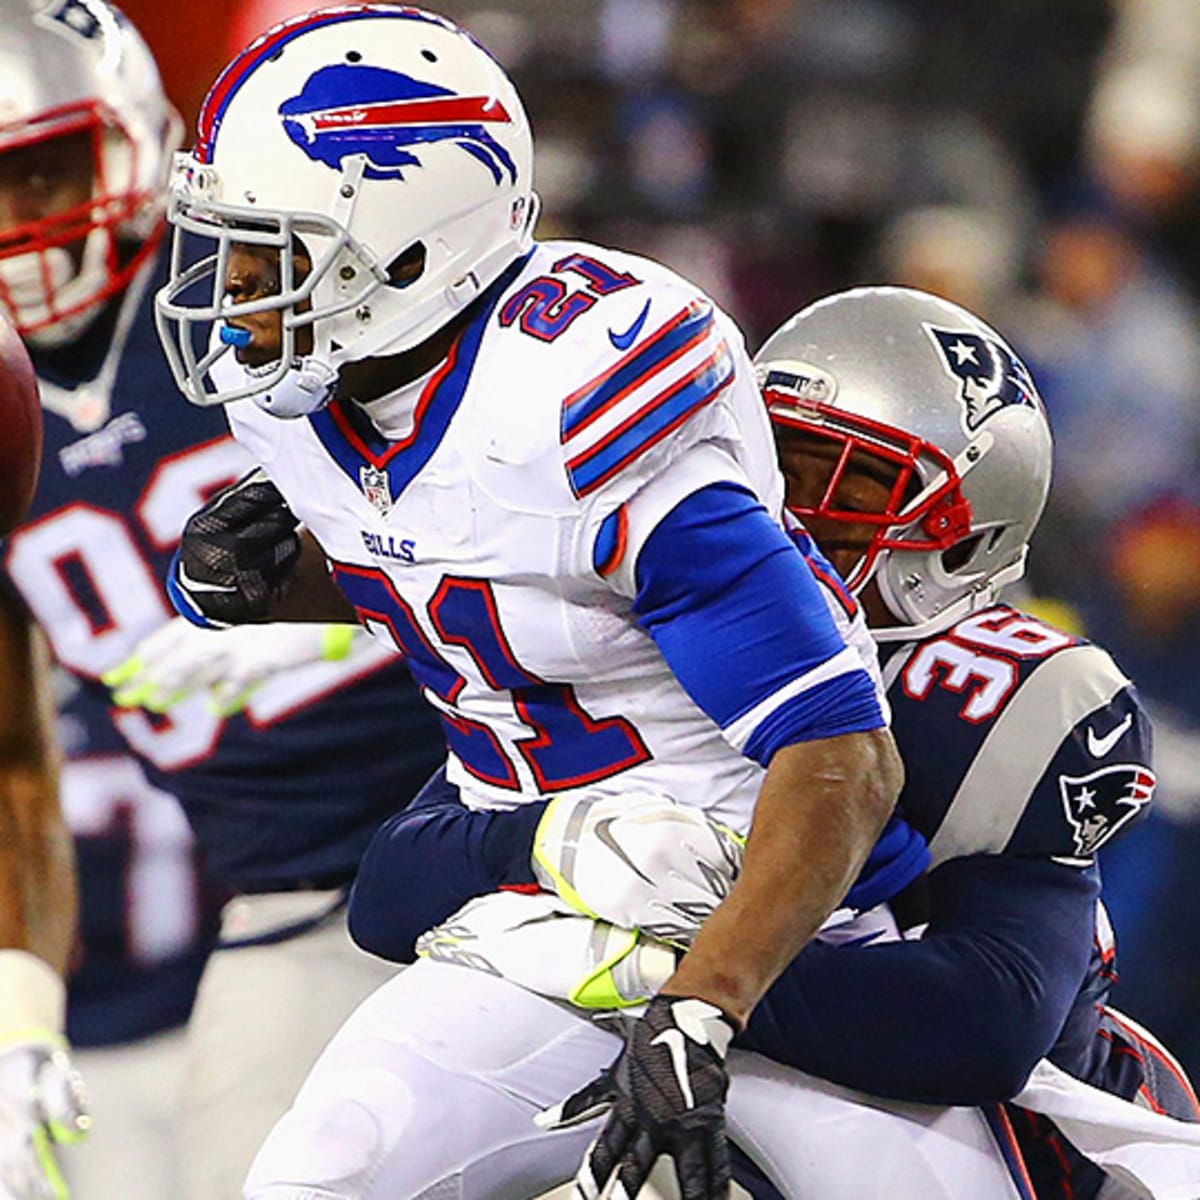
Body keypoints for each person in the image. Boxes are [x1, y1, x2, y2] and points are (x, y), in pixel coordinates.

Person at [145, 7, 999, 1200]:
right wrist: (285, 582)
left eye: (267, 252)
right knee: (318, 1175)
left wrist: (705, 1006)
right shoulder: (302, 402)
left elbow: (842, 756)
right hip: (533, 918)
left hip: (753, 908)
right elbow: (479, 579)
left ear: (402, 248)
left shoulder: (573, 400)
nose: (232, 294)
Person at [347, 285, 1200, 1200]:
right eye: (771, 461)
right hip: (712, 1081)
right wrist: (544, 844)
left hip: (984, 1139)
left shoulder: (1005, 697)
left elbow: (982, 1019)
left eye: (847, 481)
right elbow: (394, 892)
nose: (785, 511)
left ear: (962, 539)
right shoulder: (673, 632)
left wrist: (669, 976)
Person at [0, 3, 445, 1197]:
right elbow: (14, 754)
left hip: (501, 807)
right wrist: (19, 1014)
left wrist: (327, 628)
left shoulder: (271, 273)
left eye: (48, 172)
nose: (22, 229)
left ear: (141, 138)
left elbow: (514, 509)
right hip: (291, 894)